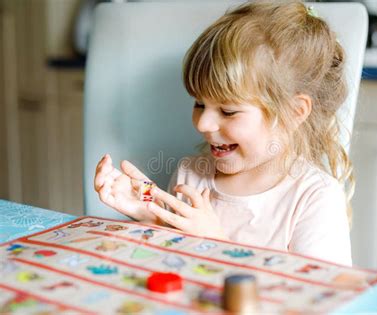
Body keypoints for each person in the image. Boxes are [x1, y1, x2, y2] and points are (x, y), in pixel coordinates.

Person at [94, 0, 354, 266]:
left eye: (228, 111)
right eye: (199, 104)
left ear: (294, 112)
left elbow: (317, 299)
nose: (203, 123)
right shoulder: (190, 176)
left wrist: (215, 243)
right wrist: (152, 214)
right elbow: (172, 265)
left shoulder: (314, 198)